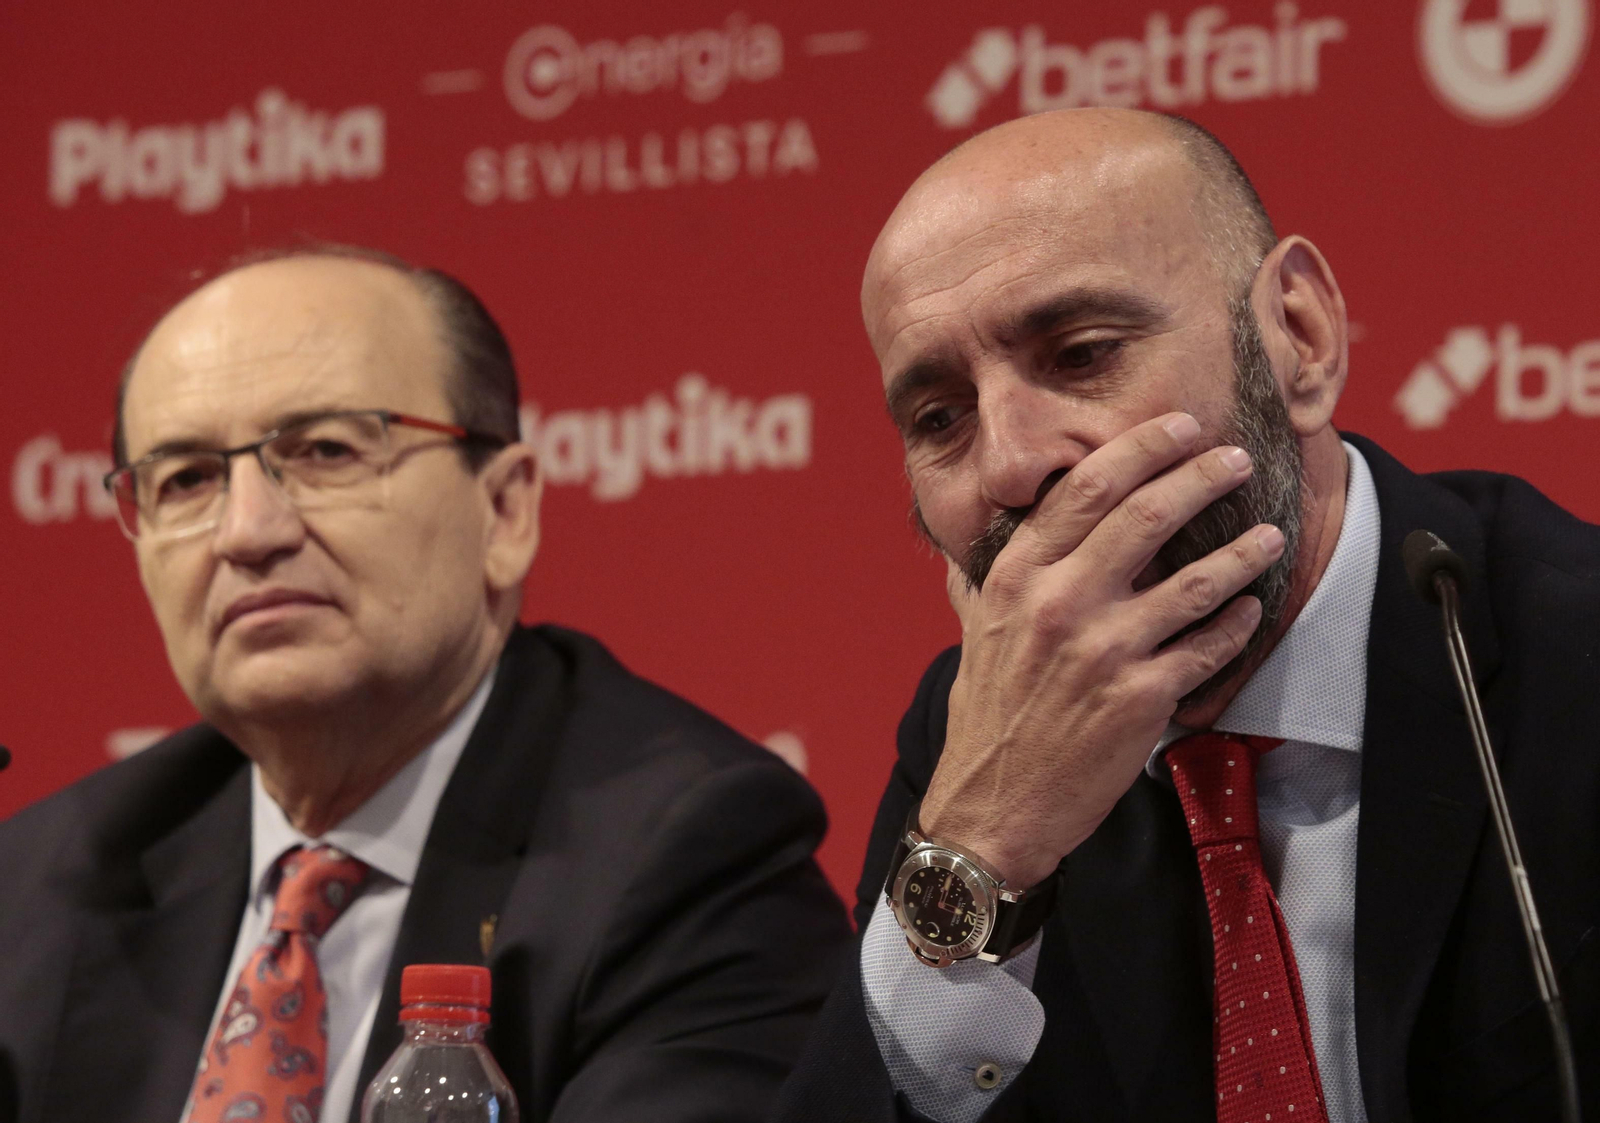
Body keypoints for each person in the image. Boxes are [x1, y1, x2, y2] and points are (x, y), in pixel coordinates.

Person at [774, 108, 1600, 1122]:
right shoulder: (972, 737)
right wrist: (983, 843)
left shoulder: (1570, 650)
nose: (1013, 464)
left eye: (1082, 354)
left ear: (1298, 337)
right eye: (939, 418)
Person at [0, 247, 849, 1123]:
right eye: (185, 479)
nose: (246, 532)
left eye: (325, 450)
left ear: (505, 511)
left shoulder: (692, 863)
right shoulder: (44, 880)